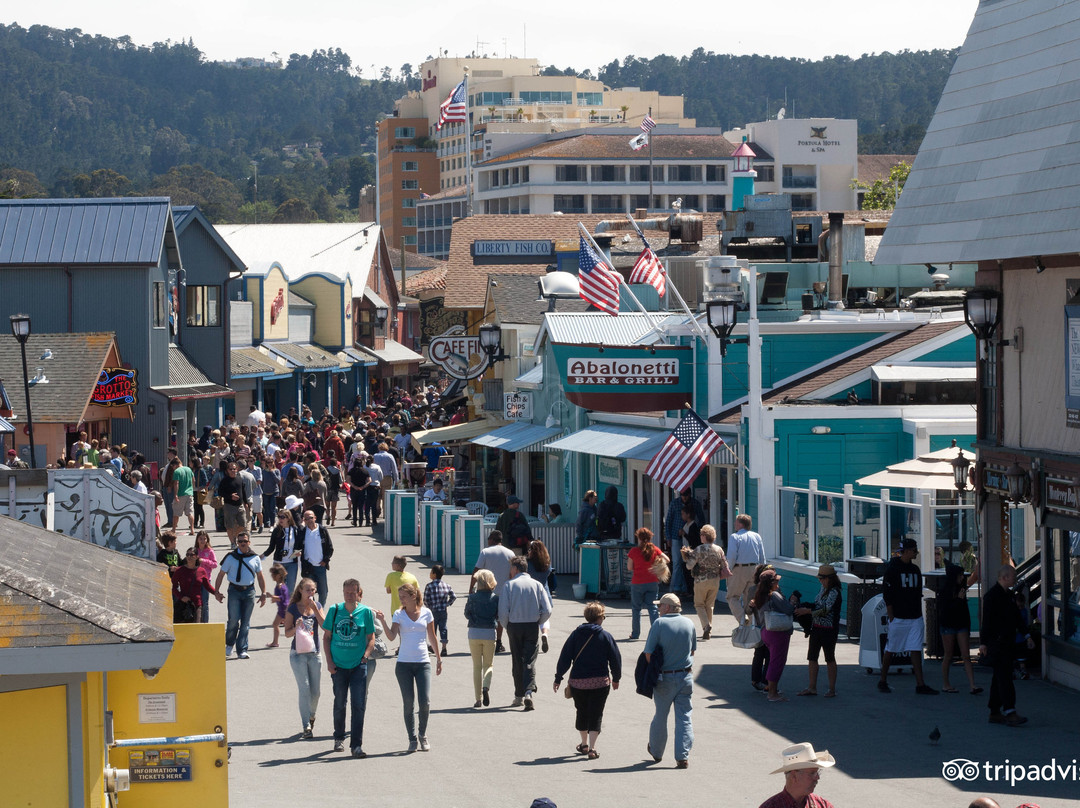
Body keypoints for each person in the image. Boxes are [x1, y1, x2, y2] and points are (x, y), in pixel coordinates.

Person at [376, 582, 443, 752]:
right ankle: (412, 738)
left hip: (423, 662)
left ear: (413, 596)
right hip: (403, 664)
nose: (401, 600)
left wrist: (439, 658)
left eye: (404, 597)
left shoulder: (426, 613)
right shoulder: (399, 614)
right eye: (400, 597)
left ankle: (422, 734)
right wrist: (383, 621)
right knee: (408, 703)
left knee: (425, 701)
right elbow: (391, 636)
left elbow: (432, 636)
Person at [553, 601, 621, 760]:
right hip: (600, 682)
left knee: (582, 711)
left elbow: (565, 657)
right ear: (600, 618)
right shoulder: (606, 636)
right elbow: (615, 659)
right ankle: (592, 748)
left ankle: (583, 744)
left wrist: (558, 677)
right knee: (596, 713)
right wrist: (616, 678)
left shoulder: (575, 635)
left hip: (578, 683)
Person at [323, 579, 376, 756]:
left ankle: (356, 746)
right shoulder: (335, 610)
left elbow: (371, 637)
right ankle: (339, 738)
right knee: (340, 702)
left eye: (353, 593)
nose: (349, 596)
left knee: (358, 705)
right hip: (338, 666)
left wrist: (365, 656)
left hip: (358, 666)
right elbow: (327, 637)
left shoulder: (366, 612)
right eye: (346, 593)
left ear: (359, 593)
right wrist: (329, 662)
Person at [878, 538, 937, 695]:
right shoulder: (892, 570)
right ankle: (882, 681)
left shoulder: (915, 569)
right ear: (907, 551)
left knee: (916, 649)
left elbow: (917, 593)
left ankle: (920, 684)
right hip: (899, 617)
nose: (916, 552)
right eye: (914, 550)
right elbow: (887, 595)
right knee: (891, 649)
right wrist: (891, 616)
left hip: (915, 617)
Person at [645, 592, 697, 768]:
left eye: (660, 605)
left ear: (667, 607)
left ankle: (656, 751)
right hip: (685, 676)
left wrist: (653, 670)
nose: (658, 608)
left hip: (665, 677)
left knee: (661, 715)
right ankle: (682, 756)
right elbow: (692, 651)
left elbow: (648, 653)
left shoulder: (659, 623)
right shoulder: (689, 623)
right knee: (684, 717)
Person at [981, 564, 1033, 726]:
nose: (1015, 579)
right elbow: (986, 621)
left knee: (999, 676)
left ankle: (994, 711)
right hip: (997, 642)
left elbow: (1017, 618)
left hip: (1008, 642)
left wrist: (1027, 635)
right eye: (1013, 577)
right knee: (1005, 677)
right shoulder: (991, 597)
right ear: (1004, 577)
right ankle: (1010, 711)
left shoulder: (1010, 595)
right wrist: (983, 643)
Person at [499, 555, 553, 710]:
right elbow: (547, 609)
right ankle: (529, 691)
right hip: (531, 626)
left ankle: (519, 696)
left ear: (515, 569)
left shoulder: (509, 585)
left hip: (514, 626)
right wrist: (538, 621)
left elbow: (503, 611)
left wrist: (507, 625)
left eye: (511, 568)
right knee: (529, 660)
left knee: (517, 660)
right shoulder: (537, 585)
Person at [213, 532, 269, 659]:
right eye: (240, 541)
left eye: (245, 541)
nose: (242, 544)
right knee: (233, 620)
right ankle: (229, 644)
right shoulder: (230, 557)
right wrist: (217, 591)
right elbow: (221, 574)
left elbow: (260, 576)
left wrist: (263, 593)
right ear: (237, 543)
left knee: (245, 622)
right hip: (234, 591)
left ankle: (242, 649)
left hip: (249, 591)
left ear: (249, 542)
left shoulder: (255, 558)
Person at [284, 576, 324, 738]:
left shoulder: (317, 606)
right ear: (300, 590)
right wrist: (296, 627)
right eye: (307, 589)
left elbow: (325, 626)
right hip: (298, 654)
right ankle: (306, 725)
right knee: (304, 688)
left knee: (316, 692)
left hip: (314, 654)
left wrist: (315, 609)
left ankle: (311, 715)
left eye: (313, 590)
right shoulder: (293, 608)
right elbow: (287, 633)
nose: (310, 592)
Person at [796, 564, 842, 697]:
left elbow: (825, 610)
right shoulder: (823, 589)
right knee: (812, 657)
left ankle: (832, 689)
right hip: (817, 627)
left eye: (822, 579)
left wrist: (807, 611)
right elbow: (817, 604)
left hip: (829, 629)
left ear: (829, 578)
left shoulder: (835, 592)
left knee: (829, 658)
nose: (820, 581)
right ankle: (812, 687)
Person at [750, 569, 796, 703]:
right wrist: (793, 602)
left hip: (766, 631)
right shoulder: (774, 595)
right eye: (776, 581)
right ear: (771, 583)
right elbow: (789, 609)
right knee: (777, 662)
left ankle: (771, 689)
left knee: (772, 661)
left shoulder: (760, 595)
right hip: (778, 633)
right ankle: (772, 693)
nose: (778, 583)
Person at [938, 562, 982, 695]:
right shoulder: (945, 591)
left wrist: (967, 626)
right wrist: (958, 599)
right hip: (949, 624)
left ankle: (972, 685)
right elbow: (946, 610)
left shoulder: (960, 589)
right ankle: (946, 684)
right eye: (960, 575)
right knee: (948, 655)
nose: (962, 577)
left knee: (966, 655)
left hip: (960, 624)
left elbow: (963, 610)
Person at [471, 531, 516, 653]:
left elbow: (476, 571)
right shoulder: (510, 553)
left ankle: (488, 642)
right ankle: (499, 642)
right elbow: (512, 573)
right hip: (504, 591)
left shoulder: (485, 552)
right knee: (501, 618)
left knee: (487, 617)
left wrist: (471, 589)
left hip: (487, 591)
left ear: (491, 539)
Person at [682, 523, 727, 641]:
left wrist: (687, 558)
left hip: (701, 580)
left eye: (701, 534)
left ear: (704, 536)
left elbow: (689, 566)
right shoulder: (719, 549)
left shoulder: (699, 549)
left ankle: (706, 626)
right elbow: (724, 565)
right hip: (715, 581)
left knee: (699, 604)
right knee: (710, 605)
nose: (700, 536)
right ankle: (708, 631)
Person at [759, 742, 837, 808]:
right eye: (812, 773)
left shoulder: (823, 805)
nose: (817, 777)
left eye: (817, 772)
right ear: (794, 776)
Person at [465, 569, 500, 708]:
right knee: (488, 665)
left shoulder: (472, 597)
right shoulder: (495, 598)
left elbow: (466, 613)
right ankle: (486, 686)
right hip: (489, 633)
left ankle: (478, 699)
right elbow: (498, 615)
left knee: (476, 666)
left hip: (474, 632)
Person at [727, 514, 767, 626]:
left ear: (740, 524)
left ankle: (742, 619)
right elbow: (762, 556)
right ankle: (753, 624)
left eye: (736, 522)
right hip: (754, 569)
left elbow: (732, 556)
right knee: (749, 598)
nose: (734, 524)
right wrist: (762, 571)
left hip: (739, 568)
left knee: (732, 596)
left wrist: (729, 569)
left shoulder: (735, 537)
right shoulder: (757, 536)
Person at [627, 527, 666, 640]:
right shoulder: (655, 549)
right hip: (652, 582)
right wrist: (658, 565)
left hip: (637, 582)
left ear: (638, 538)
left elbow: (629, 567)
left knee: (636, 609)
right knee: (652, 608)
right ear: (650, 537)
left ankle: (635, 634)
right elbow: (667, 559)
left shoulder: (634, 551)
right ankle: (657, 633)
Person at [664, 489, 705, 596]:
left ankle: (686, 588)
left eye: (686, 495)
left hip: (689, 538)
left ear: (690, 495)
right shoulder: (674, 503)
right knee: (677, 562)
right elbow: (668, 521)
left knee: (687, 563)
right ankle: (675, 587)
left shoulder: (695, 503)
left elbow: (701, 519)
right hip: (676, 536)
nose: (684, 497)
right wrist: (668, 537)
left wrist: (701, 536)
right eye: (683, 495)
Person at [171, 546, 217, 623]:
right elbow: (174, 587)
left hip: (196, 605)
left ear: (197, 557)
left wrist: (216, 593)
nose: (189, 557)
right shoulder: (180, 570)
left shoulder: (201, 571)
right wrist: (181, 597)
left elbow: (207, 586)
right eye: (187, 555)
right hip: (182, 605)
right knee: (180, 628)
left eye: (192, 555)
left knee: (196, 627)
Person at [262, 510, 303, 595]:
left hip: (292, 562)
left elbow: (300, 545)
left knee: (290, 588)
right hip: (279, 562)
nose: (280, 519)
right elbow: (271, 547)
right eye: (279, 517)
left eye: (283, 517)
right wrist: (263, 555)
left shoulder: (295, 530)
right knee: (280, 587)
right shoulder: (276, 530)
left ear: (288, 518)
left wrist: (300, 552)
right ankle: (281, 602)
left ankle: (288, 603)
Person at [299, 510, 333, 607]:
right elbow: (298, 547)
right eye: (306, 519)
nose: (309, 520)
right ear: (304, 520)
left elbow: (330, 547)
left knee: (323, 592)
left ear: (315, 518)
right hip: (308, 567)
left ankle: (320, 609)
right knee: (309, 593)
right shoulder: (302, 532)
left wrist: (325, 560)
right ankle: (312, 610)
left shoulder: (322, 530)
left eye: (310, 518)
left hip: (320, 566)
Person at [527, 539, 555, 653]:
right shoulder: (546, 563)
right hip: (544, 593)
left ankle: (531, 641)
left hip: (531, 594)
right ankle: (544, 633)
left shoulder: (528, 564)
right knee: (545, 618)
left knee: (531, 619)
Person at [750, 564, 775, 692]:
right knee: (760, 654)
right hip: (760, 626)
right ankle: (757, 680)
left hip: (771, 626)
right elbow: (746, 610)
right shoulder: (753, 589)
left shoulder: (776, 590)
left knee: (769, 655)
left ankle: (765, 681)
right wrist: (751, 605)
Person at [424, 564, 457, 656]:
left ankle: (434, 647)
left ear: (434, 574)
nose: (430, 574)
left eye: (431, 572)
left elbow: (425, 599)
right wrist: (447, 604)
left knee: (432, 630)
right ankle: (444, 648)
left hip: (433, 611)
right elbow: (453, 596)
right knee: (443, 628)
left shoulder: (429, 586)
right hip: (443, 611)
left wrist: (429, 607)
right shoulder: (447, 585)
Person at [219, 461, 252, 549]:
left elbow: (243, 491)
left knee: (243, 524)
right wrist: (230, 496)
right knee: (229, 526)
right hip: (229, 506)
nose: (233, 471)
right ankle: (233, 543)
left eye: (234, 469)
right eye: (231, 469)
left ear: (237, 469)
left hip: (240, 505)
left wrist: (246, 502)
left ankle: (234, 537)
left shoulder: (239, 479)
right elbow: (220, 492)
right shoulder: (225, 480)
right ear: (227, 470)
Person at [194, 530, 218, 623]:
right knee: (196, 601)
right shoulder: (195, 551)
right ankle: (196, 620)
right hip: (195, 579)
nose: (202, 541)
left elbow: (215, 564)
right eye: (200, 539)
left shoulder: (210, 551)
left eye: (204, 539)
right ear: (197, 540)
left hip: (206, 579)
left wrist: (204, 561)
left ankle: (205, 622)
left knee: (205, 602)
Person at [170, 456, 196, 534]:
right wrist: (192, 488)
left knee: (176, 513)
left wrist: (175, 494)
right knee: (190, 512)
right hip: (189, 493)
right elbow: (193, 480)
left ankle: (174, 529)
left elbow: (176, 483)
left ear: (175, 465)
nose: (173, 468)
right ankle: (192, 529)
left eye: (172, 466)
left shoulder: (177, 471)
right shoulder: (189, 469)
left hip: (181, 494)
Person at [266, 563, 290, 647]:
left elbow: (282, 598)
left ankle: (275, 642)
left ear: (279, 575)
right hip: (283, 607)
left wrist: (271, 596)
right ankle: (275, 642)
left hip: (283, 608)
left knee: (275, 624)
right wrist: (274, 599)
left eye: (273, 574)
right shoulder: (281, 585)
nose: (272, 576)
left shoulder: (280, 586)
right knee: (287, 624)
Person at [347, 452, 371, 527]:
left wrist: (354, 486)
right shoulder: (365, 471)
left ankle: (355, 521)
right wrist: (363, 487)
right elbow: (369, 480)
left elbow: (348, 480)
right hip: (362, 490)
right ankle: (361, 521)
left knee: (354, 506)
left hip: (354, 490)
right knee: (361, 506)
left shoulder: (351, 471)